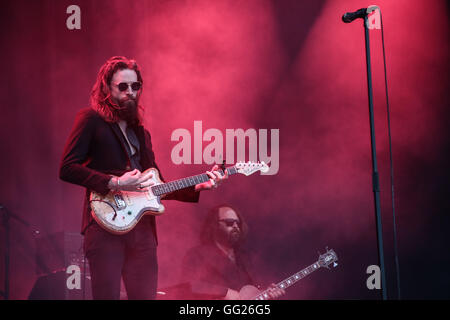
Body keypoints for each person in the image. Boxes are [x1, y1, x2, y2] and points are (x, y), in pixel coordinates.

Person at [59, 56, 227, 300]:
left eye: (135, 87)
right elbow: (67, 167)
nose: (130, 93)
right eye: (123, 87)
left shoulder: (142, 133)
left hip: (142, 233)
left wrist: (200, 185)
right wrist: (114, 182)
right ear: (107, 88)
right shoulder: (91, 120)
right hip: (105, 226)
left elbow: (157, 185)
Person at [179, 204, 285, 300]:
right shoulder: (197, 254)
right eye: (229, 222)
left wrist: (265, 293)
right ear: (214, 225)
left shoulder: (245, 257)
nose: (235, 226)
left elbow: (251, 291)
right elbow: (189, 286)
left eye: (238, 223)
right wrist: (224, 292)